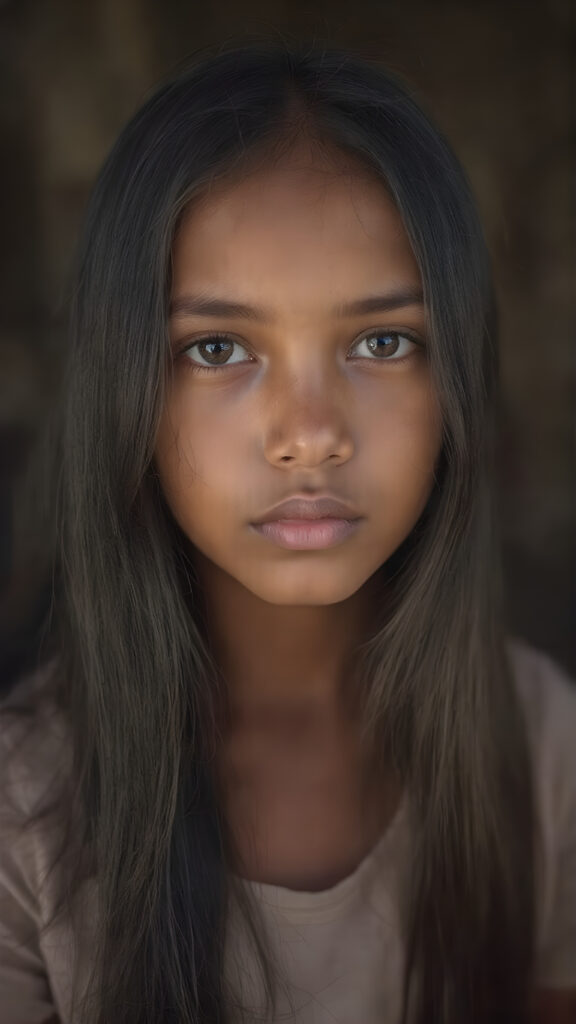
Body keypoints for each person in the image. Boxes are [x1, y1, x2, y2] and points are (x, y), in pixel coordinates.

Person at [0, 38, 574, 1024]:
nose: (310, 433)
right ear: (123, 383)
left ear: (458, 384)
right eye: (218, 348)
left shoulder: (543, 747)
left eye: (382, 342)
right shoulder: (25, 809)